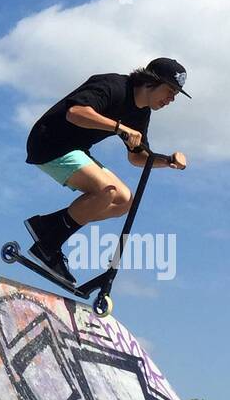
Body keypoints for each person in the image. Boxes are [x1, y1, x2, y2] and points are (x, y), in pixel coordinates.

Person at [23, 58, 191, 286]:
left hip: (75, 150)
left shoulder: (141, 113)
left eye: (175, 96)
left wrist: (167, 160)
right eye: (170, 91)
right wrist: (118, 127)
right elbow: (75, 112)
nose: (171, 100)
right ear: (151, 81)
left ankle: (49, 226)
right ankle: (48, 245)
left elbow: (137, 156)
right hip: (49, 142)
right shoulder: (113, 86)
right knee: (107, 191)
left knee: (124, 200)